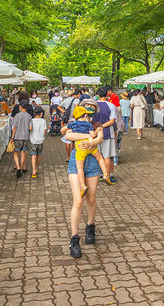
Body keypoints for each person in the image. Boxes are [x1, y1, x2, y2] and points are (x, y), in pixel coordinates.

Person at [61, 109, 104, 258]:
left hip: (92, 163)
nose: (87, 115)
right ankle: (74, 239)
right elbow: (68, 135)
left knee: (91, 199)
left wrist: (92, 142)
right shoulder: (76, 123)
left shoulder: (97, 123)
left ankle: (90, 226)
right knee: (78, 201)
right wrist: (87, 136)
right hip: (76, 161)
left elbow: (100, 138)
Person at [67, 105, 113, 197]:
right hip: (90, 146)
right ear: (85, 116)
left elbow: (65, 132)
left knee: (79, 168)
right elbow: (92, 135)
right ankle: (105, 175)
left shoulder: (72, 124)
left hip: (79, 148)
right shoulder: (88, 124)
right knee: (100, 158)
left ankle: (83, 186)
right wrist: (92, 136)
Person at [91, 88, 117, 183]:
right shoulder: (111, 105)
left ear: (97, 95)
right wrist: (102, 126)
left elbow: (91, 119)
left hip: (95, 133)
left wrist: (97, 128)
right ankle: (107, 175)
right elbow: (112, 121)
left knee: (97, 155)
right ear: (107, 95)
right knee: (107, 156)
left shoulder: (93, 106)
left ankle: (99, 174)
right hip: (107, 133)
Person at [11, 100, 32, 178]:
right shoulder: (29, 116)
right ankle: (22, 166)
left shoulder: (17, 116)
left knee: (16, 152)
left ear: (20, 107)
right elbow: (30, 128)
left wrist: (12, 137)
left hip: (17, 136)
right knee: (23, 152)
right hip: (25, 137)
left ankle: (18, 167)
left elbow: (14, 128)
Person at [60, 89, 82, 161]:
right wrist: (75, 114)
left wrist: (64, 112)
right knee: (73, 139)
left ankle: (68, 156)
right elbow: (76, 107)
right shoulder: (76, 100)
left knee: (67, 139)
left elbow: (59, 106)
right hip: (74, 120)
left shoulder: (66, 99)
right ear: (78, 94)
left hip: (68, 122)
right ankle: (73, 155)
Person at [29, 106, 47, 179]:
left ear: (34, 113)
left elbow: (30, 129)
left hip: (33, 140)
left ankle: (33, 171)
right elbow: (45, 130)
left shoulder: (31, 120)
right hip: (41, 140)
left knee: (33, 155)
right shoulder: (43, 121)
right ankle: (36, 167)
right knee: (39, 155)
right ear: (41, 113)